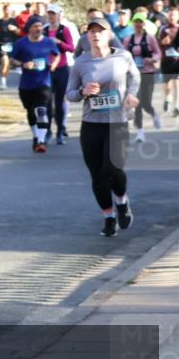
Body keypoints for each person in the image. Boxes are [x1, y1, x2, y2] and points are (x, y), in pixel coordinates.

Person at [67, 16, 140, 237]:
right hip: (91, 124)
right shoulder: (81, 63)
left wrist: (131, 95)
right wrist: (82, 92)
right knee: (97, 176)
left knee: (113, 169)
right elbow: (69, 94)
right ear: (86, 36)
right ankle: (109, 217)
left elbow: (136, 79)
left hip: (117, 121)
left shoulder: (123, 56)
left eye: (100, 31)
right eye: (91, 31)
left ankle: (122, 201)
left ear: (109, 35)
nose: (96, 34)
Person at [11, 16, 61, 153]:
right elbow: (13, 59)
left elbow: (57, 55)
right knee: (30, 112)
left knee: (41, 110)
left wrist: (54, 65)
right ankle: (36, 136)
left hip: (43, 82)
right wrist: (23, 64)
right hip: (26, 85)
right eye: (35, 26)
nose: (38, 28)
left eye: (40, 26)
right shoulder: (21, 43)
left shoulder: (48, 42)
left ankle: (41, 140)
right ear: (29, 29)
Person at [121, 13, 162, 142]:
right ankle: (140, 132)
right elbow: (123, 55)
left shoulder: (150, 38)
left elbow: (158, 53)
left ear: (144, 24)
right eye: (136, 22)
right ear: (133, 24)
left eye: (140, 22)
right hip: (134, 75)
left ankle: (154, 114)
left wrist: (151, 59)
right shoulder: (128, 39)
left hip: (148, 73)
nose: (138, 24)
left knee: (146, 103)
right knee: (136, 103)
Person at [44, 5, 75, 144]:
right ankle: (48, 131)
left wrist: (59, 42)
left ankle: (60, 132)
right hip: (47, 69)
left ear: (58, 15)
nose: (51, 16)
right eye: (49, 14)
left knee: (60, 101)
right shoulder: (43, 30)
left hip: (62, 69)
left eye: (53, 14)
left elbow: (71, 48)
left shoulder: (64, 30)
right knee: (48, 102)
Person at [0, 4, 19, 89]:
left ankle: (3, 79)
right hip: (1, 44)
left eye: (9, 10)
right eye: (7, 10)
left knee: (7, 64)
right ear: (3, 11)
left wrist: (15, 29)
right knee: (5, 60)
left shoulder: (14, 21)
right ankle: (2, 81)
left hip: (11, 45)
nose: (8, 11)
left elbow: (19, 32)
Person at [160, 7, 179, 116]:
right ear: (168, 16)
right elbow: (160, 43)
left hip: (177, 60)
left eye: (174, 15)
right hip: (166, 60)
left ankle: (176, 106)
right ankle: (168, 98)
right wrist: (163, 41)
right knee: (167, 85)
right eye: (170, 15)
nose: (172, 17)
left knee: (177, 82)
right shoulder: (163, 28)